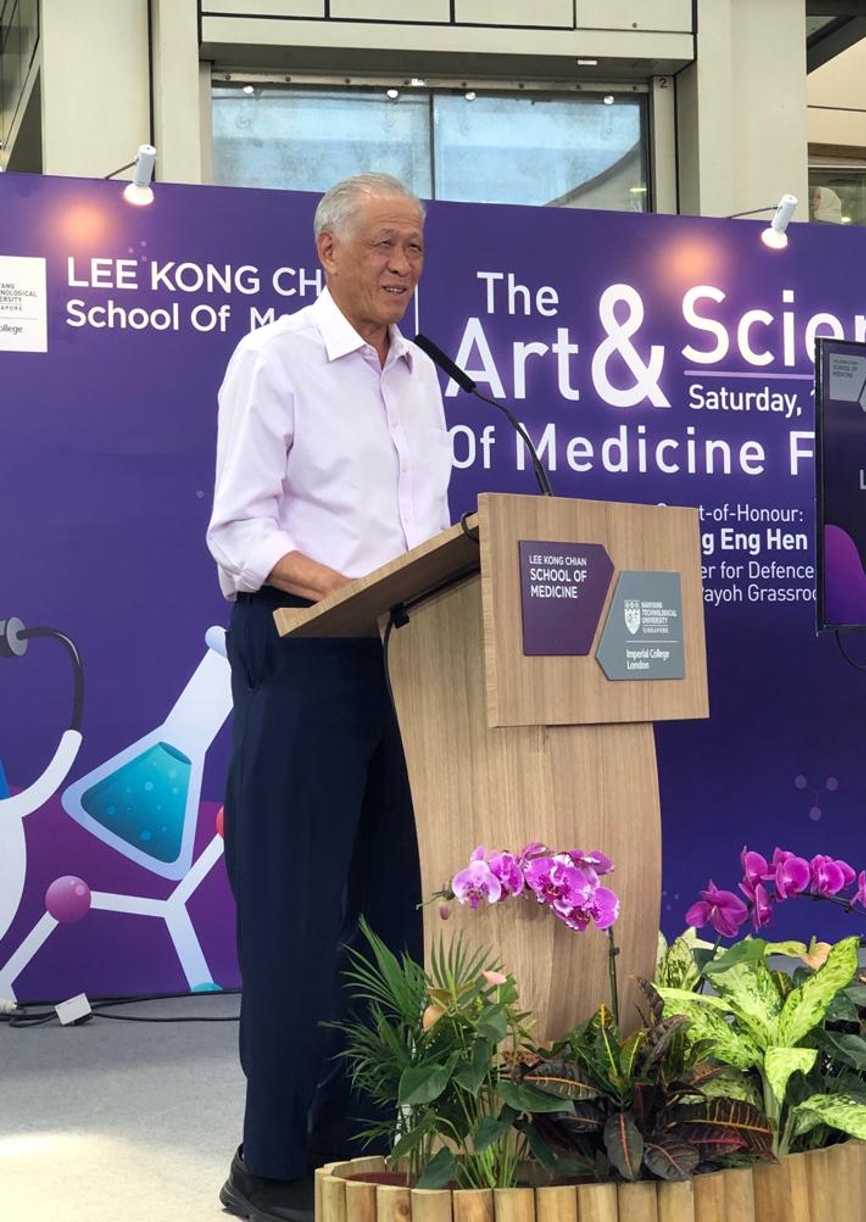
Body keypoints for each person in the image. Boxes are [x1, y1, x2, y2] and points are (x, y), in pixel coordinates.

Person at [207, 173, 452, 1222]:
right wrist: (353, 589)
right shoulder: (276, 358)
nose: (403, 264)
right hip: (305, 655)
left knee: (392, 921)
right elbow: (239, 532)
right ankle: (270, 1164)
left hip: (412, 662)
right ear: (329, 249)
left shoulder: (424, 374)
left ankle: (355, 1142)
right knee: (297, 921)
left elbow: (424, 523)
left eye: (416, 247)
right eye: (385, 243)